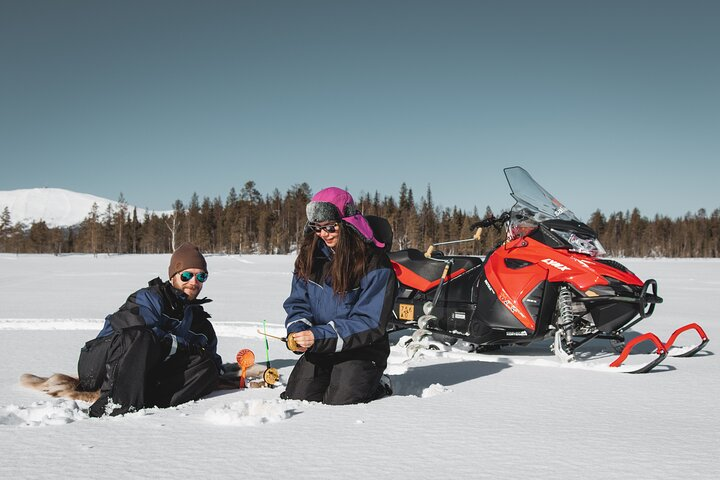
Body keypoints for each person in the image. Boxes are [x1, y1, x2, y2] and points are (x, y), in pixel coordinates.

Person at [281, 187, 397, 405]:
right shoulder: (310, 258)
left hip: (362, 348)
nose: (324, 234)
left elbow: (370, 322)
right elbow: (298, 303)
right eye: (317, 228)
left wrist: (319, 336)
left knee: (339, 402)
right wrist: (298, 333)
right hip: (321, 345)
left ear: (348, 223)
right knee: (298, 398)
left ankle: (379, 383)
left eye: (330, 227)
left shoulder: (374, 263)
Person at [77, 243, 222, 417]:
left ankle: (149, 404)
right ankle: (112, 407)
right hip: (99, 366)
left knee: (207, 367)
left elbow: (211, 360)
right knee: (142, 337)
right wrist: (183, 346)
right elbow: (137, 332)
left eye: (201, 277)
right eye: (187, 275)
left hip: (144, 376)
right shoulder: (149, 298)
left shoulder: (201, 324)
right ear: (173, 276)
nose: (194, 282)